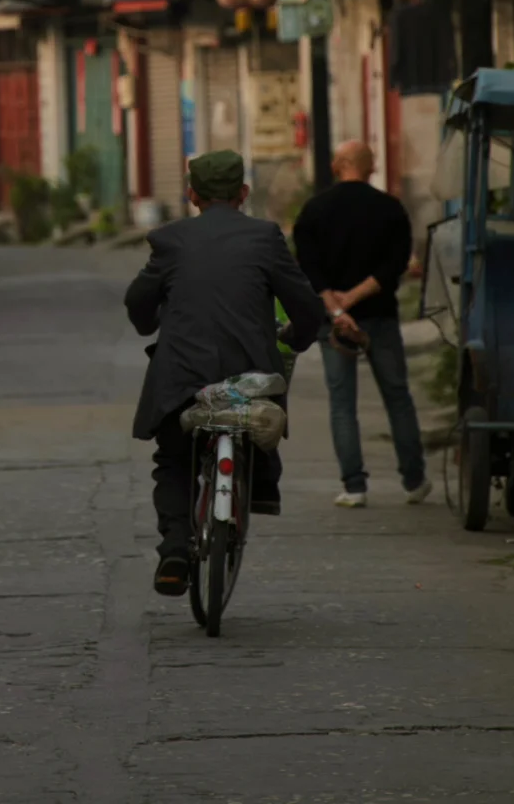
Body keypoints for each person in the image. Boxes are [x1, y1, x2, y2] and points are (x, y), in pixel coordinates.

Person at [124, 149, 364, 597]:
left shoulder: (170, 239)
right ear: (244, 193)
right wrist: (296, 338)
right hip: (247, 378)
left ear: (191, 194)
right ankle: (261, 486)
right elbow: (305, 306)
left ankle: (175, 548)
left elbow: (138, 300)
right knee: (259, 416)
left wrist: (150, 324)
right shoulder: (265, 236)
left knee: (174, 459)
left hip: (181, 377)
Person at [292, 140, 431, 509]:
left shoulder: (315, 210)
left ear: (338, 165)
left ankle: (354, 487)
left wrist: (337, 309)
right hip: (380, 317)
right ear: (371, 167)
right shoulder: (390, 209)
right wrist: (354, 298)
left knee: (342, 404)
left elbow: (307, 265)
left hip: (334, 323)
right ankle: (414, 481)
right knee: (397, 397)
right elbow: (395, 264)